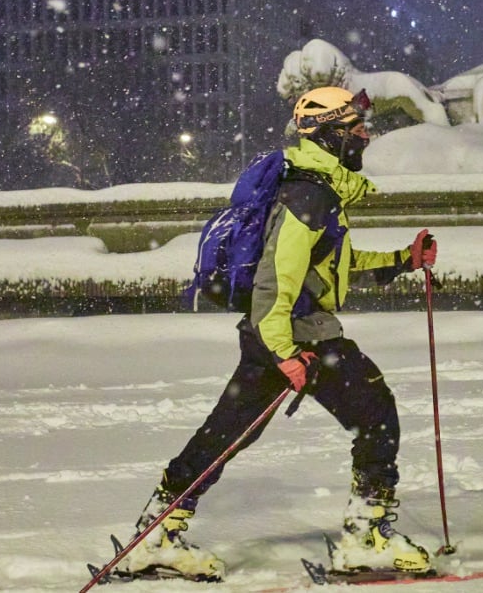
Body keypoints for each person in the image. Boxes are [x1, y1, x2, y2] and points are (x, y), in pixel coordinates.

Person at [114, 86, 437, 581]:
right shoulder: (309, 194)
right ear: (329, 135)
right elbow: (274, 282)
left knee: (224, 436)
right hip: (301, 338)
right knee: (377, 415)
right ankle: (365, 539)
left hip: (282, 337)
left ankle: (155, 535)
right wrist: (284, 352)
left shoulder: (316, 189)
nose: (365, 136)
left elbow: (334, 268)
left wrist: (402, 261)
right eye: (355, 128)